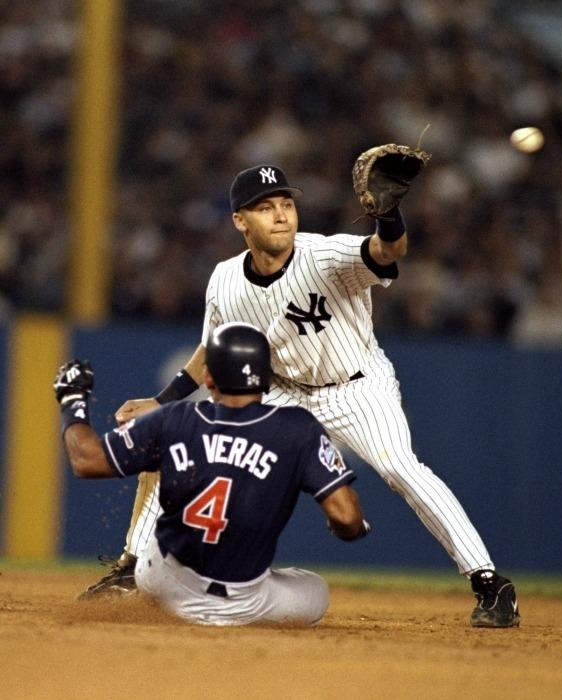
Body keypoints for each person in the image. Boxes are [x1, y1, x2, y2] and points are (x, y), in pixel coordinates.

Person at [84, 163, 520, 628]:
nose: (281, 215)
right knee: (180, 439)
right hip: (284, 392)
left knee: (400, 467)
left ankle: (490, 582)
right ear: (239, 221)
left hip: (356, 388)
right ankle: (133, 566)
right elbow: (212, 348)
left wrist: (389, 215)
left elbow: (387, 249)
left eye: (287, 204)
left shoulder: (327, 256)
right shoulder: (225, 279)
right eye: (266, 207)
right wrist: (165, 400)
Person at [54, 322, 370, 626]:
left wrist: (72, 400)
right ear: (267, 379)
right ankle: (223, 618)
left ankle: (134, 575)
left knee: (163, 463)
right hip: (247, 602)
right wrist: (350, 530)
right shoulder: (297, 430)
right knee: (316, 590)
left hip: (163, 581)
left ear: (207, 377)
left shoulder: (175, 419)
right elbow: (345, 516)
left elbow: (86, 460)